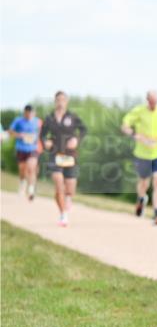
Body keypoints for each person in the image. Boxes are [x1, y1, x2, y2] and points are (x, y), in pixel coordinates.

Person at [121, 90, 157, 225]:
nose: (154, 105)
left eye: (156, 102)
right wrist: (135, 135)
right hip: (142, 154)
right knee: (144, 182)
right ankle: (141, 199)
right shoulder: (138, 111)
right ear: (147, 100)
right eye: (151, 102)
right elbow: (125, 126)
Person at [41, 91, 88, 227]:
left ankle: (68, 198)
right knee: (58, 184)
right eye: (58, 100)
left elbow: (84, 129)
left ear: (66, 101)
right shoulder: (49, 118)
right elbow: (42, 135)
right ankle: (63, 215)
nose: (60, 102)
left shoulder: (72, 117)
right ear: (55, 101)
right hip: (54, 154)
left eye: (63, 99)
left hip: (69, 155)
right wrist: (45, 142)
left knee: (70, 188)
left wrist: (76, 140)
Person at [9, 104, 41, 201]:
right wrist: (19, 135)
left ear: (34, 113)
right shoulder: (18, 120)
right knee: (22, 170)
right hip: (21, 148)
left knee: (31, 168)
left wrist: (37, 137)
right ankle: (22, 182)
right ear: (24, 113)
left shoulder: (37, 121)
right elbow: (10, 131)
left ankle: (31, 190)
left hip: (33, 149)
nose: (29, 116)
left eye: (31, 114)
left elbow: (41, 132)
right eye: (27, 114)